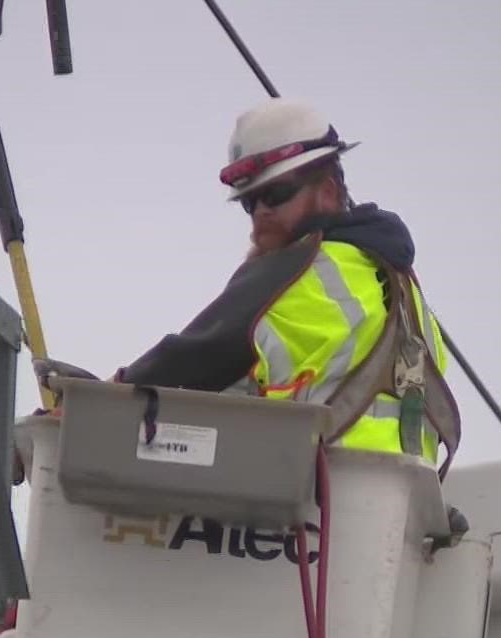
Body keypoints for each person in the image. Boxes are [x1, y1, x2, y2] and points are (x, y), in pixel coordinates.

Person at [103, 98, 462, 467]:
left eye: (275, 194)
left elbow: (192, 359)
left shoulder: (297, 270)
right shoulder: (402, 285)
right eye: (250, 201)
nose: (261, 211)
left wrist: (105, 396)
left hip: (319, 491)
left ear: (327, 190)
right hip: (397, 500)